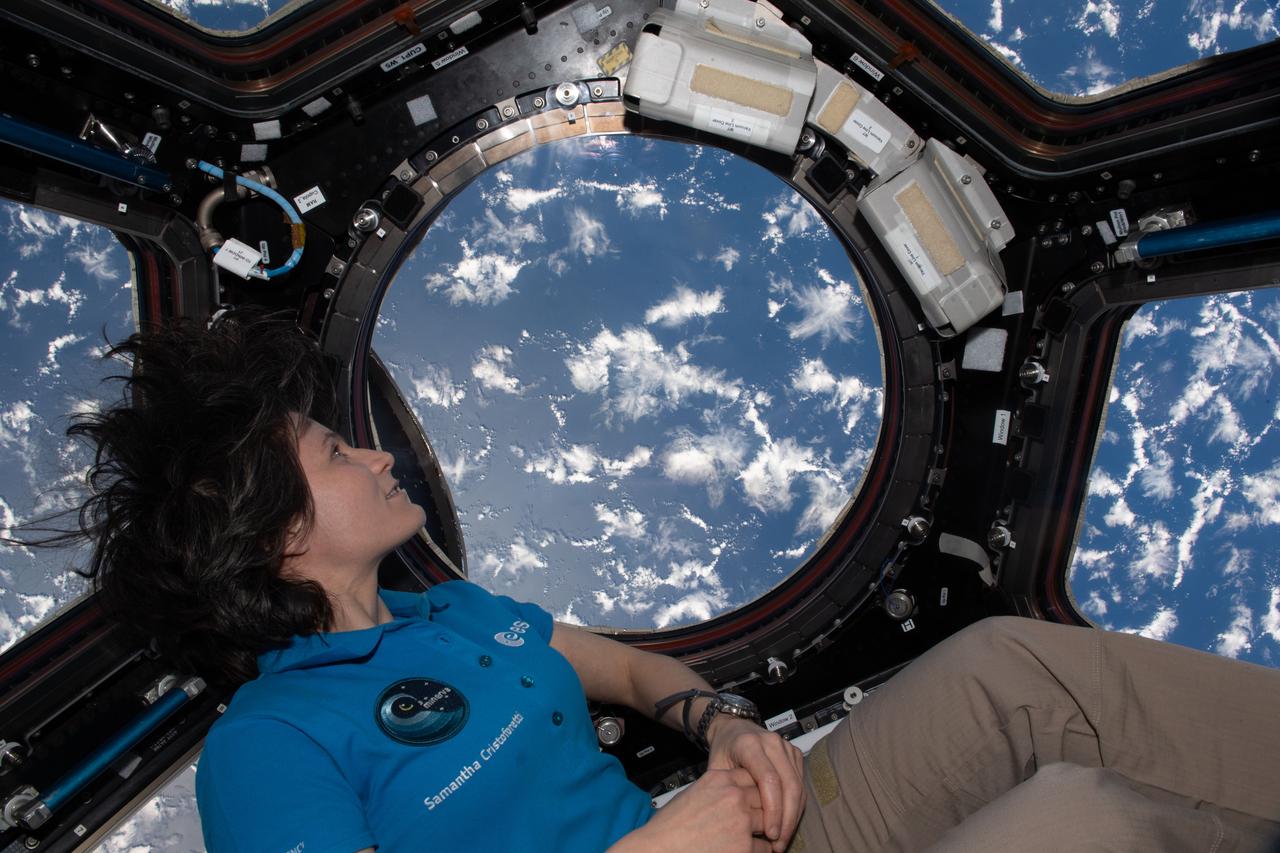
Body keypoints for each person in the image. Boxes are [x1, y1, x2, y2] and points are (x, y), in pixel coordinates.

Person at [63, 309, 1280, 853]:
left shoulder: (454, 616)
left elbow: (629, 669)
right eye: (335, 452)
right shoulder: (265, 745)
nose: (376, 450)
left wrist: (719, 723)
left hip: (745, 834)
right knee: (1082, 826)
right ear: (275, 536)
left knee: (1005, 668)